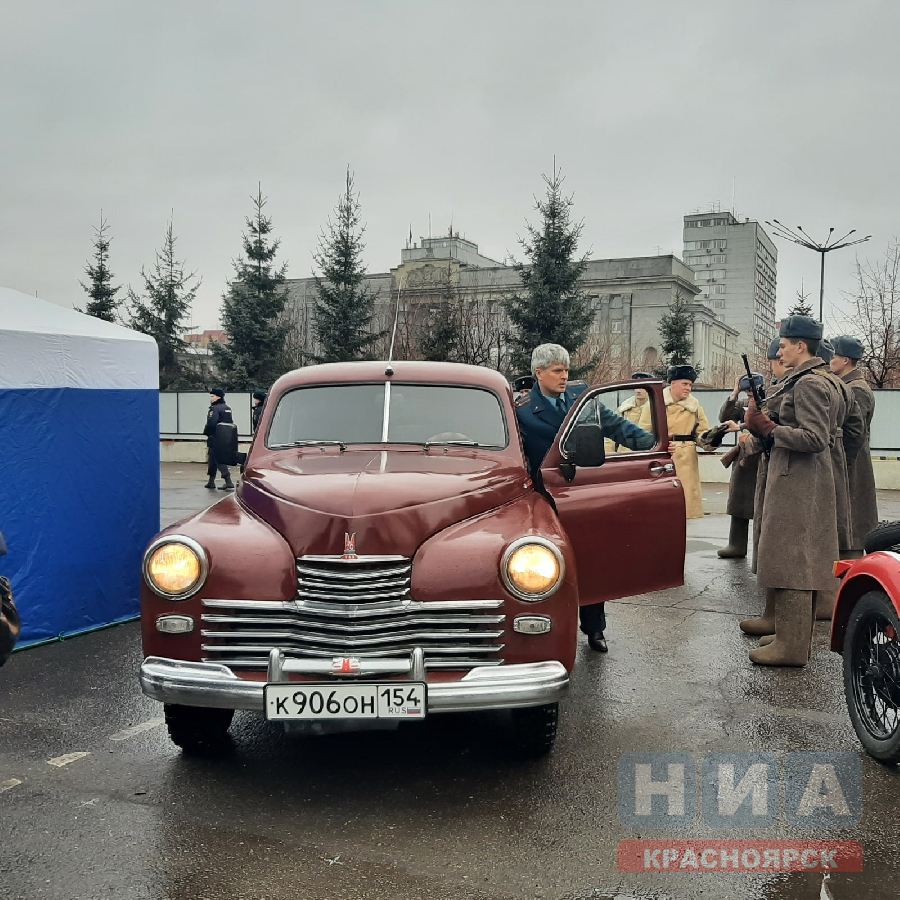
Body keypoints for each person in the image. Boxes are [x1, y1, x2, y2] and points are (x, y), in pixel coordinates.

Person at [515, 343, 655, 653]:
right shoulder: (522, 410)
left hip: (582, 492)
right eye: (557, 371)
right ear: (539, 374)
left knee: (591, 559)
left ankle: (595, 629)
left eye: (566, 370)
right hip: (543, 498)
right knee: (541, 565)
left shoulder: (582, 400)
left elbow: (618, 426)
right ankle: (545, 629)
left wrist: (653, 445)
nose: (564, 376)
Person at [743, 315, 843, 667]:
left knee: (794, 561)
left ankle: (792, 647)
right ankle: (789, 635)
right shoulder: (812, 380)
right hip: (800, 479)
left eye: (784, 344)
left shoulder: (810, 384)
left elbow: (814, 438)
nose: (780, 350)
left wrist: (770, 429)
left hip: (799, 482)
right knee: (793, 557)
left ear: (801, 345)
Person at [638, 365, 711, 519]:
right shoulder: (654, 404)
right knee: (661, 508)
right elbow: (643, 433)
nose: (688, 388)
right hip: (662, 456)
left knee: (685, 506)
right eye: (685, 384)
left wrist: (711, 437)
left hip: (687, 458)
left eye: (690, 385)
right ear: (673, 383)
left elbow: (702, 432)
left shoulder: (695, 406)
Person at [830, 335, 878, 560]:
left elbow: (854, 433)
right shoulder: (849, 385)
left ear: (846, 360)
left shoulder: (856, 389)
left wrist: (843, 464)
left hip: (853, 465)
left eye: (834, 356)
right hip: (853, 462)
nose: (830, 360)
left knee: (852, 527)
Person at [204, 388, 235, 491]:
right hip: (225, 436)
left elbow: (212, 423)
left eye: (213, 396)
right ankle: (211, 481)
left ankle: (228, 480)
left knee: (217, 458)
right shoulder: (227, 408)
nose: (211, 398)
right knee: (212, 459)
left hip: (215, 436)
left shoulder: (215, 409)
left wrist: (207, 433)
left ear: (218, 397)